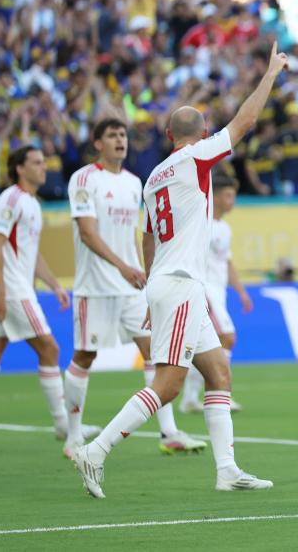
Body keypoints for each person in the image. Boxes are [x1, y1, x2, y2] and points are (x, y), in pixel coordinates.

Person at [72, 42, 288, 498]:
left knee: (218, 372)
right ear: (203, 133)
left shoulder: (153, 178)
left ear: (169, 134)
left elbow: (147, 238)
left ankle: (227, 470)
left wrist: (152, 290)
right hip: (182, 285)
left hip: (167, 283)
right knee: (168, 385)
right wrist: (269, 75)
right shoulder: (197, 159)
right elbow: (245, 122)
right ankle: (96, 450)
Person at [64, 118, 205, 458]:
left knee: (155, 352)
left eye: (122, 135)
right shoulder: (84, 179)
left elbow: (142, 235)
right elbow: (87, 233)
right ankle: (72, 437)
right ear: (98, 143)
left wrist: (142, 271)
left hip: (131, 286)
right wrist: (122, 266)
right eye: (112, 135)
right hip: (96, 285)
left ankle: (169, 432)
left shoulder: (133, 182)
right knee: (84, 356)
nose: (120, 140)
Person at [0, 146, 77, 446]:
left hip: (10, 289)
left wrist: (55, 285)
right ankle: (63, 425)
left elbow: (31, 254)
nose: (44, 167)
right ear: (19, 168)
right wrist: (1, 291)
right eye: (36, 162)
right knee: (49, 349)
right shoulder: (11, 199)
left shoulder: (32, 203)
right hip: (11, 290)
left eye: (43, 161)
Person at [179, 172, 253, 414]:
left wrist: (241, 292)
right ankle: (221, 393)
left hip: (219, 292)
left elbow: (227, 263)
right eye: (229, 195)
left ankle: (190, 398)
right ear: (217, 197)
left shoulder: (225, 228)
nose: (233, 200)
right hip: (204, 289)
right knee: (227, 337)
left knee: (203, 345)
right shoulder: (202, 224)